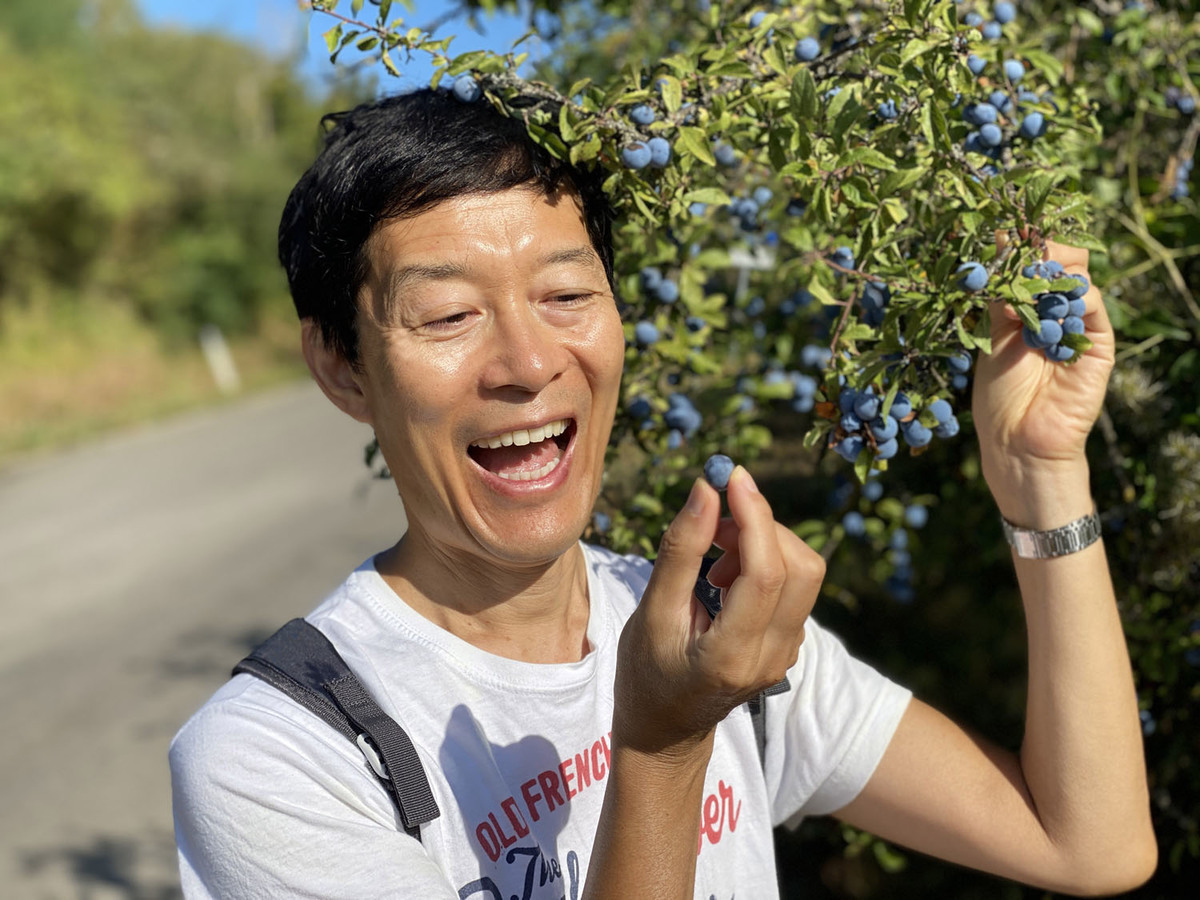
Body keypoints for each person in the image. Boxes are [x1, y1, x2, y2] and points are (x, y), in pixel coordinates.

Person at [169, 89, 1156, 898]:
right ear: (343, 366)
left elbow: (1089, 846)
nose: (527, 361)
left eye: (567, 295)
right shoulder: (281, 758)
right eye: (448, 313)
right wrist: (667, 741)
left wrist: (1038, 477)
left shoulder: (708, 633)